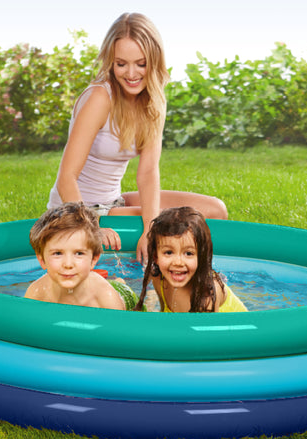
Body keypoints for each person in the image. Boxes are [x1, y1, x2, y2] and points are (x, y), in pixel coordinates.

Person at [47, 12, 227, 265]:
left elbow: (147, 172)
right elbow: (66, 176)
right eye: (121, 64)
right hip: (78, 208)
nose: (131, 74)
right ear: (111, 62)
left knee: (215, 211)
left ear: (154, 60)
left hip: (113, 201)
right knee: (183, 221)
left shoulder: (154, 99)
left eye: (140, 64)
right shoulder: (100, 98)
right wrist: (90, 228)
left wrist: (151, 229)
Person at [134, 207, 247, 313]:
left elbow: (204, 333)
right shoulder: (159, 279)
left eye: (188, 253)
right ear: (155, 257)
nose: (178, 262)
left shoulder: (206, 296)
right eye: (168, 252)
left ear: (201, 256)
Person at [25, 202, 126, 310]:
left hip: (116, 293)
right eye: (58, 253)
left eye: (79, 253)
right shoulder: (36, 293)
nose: (68, 264)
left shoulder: (106, 298)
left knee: (121, 289)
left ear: (94, 259)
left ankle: (120, 283)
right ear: (42, 260)